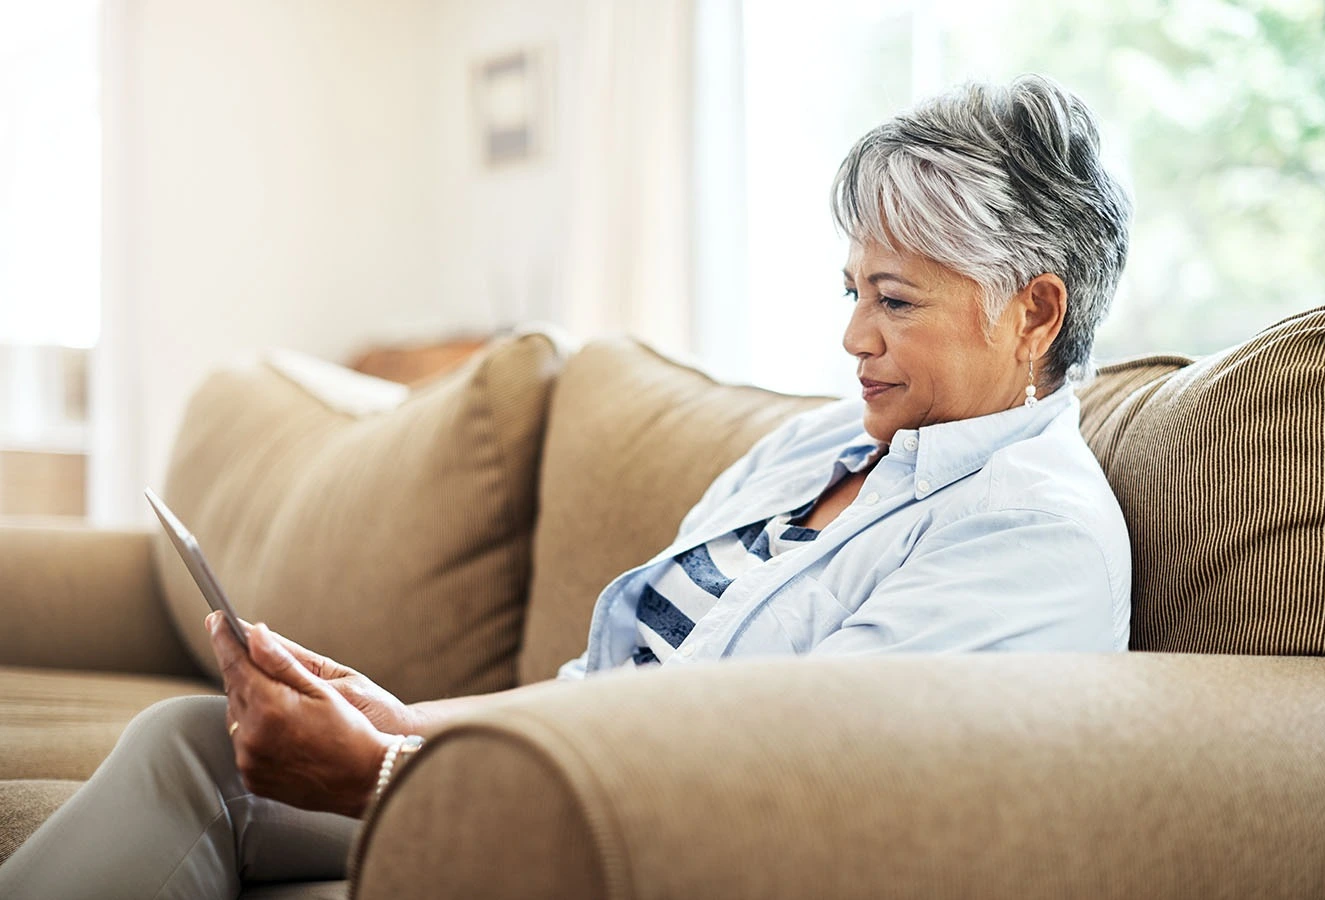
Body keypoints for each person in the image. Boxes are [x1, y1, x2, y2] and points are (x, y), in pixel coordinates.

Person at [0, 73, 1134, 899]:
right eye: (852, 290)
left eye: (894, 301)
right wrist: (401, 723)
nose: (851, 336)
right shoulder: (818, 449)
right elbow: (610, 691)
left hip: (655, 845)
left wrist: (394, 770)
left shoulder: (1032, 534)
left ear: (1033, 311)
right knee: (190, 741)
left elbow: (792, 787)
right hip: (578, 771)